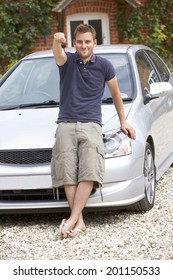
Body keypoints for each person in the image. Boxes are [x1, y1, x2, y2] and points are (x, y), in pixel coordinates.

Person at [51, 24, 136, 239]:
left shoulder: (105, 66)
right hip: (66, 123)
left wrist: (123, 121)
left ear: (94, 43)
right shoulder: (67, 61)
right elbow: (57, 53)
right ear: (75, 42)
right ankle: (79, 222)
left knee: (89, 171)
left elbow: (116, 94)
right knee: (68, 175)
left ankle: (72, 220)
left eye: (87, 41)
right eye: (79, 41)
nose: (83, 45)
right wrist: (56, 40)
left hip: (92, 124)